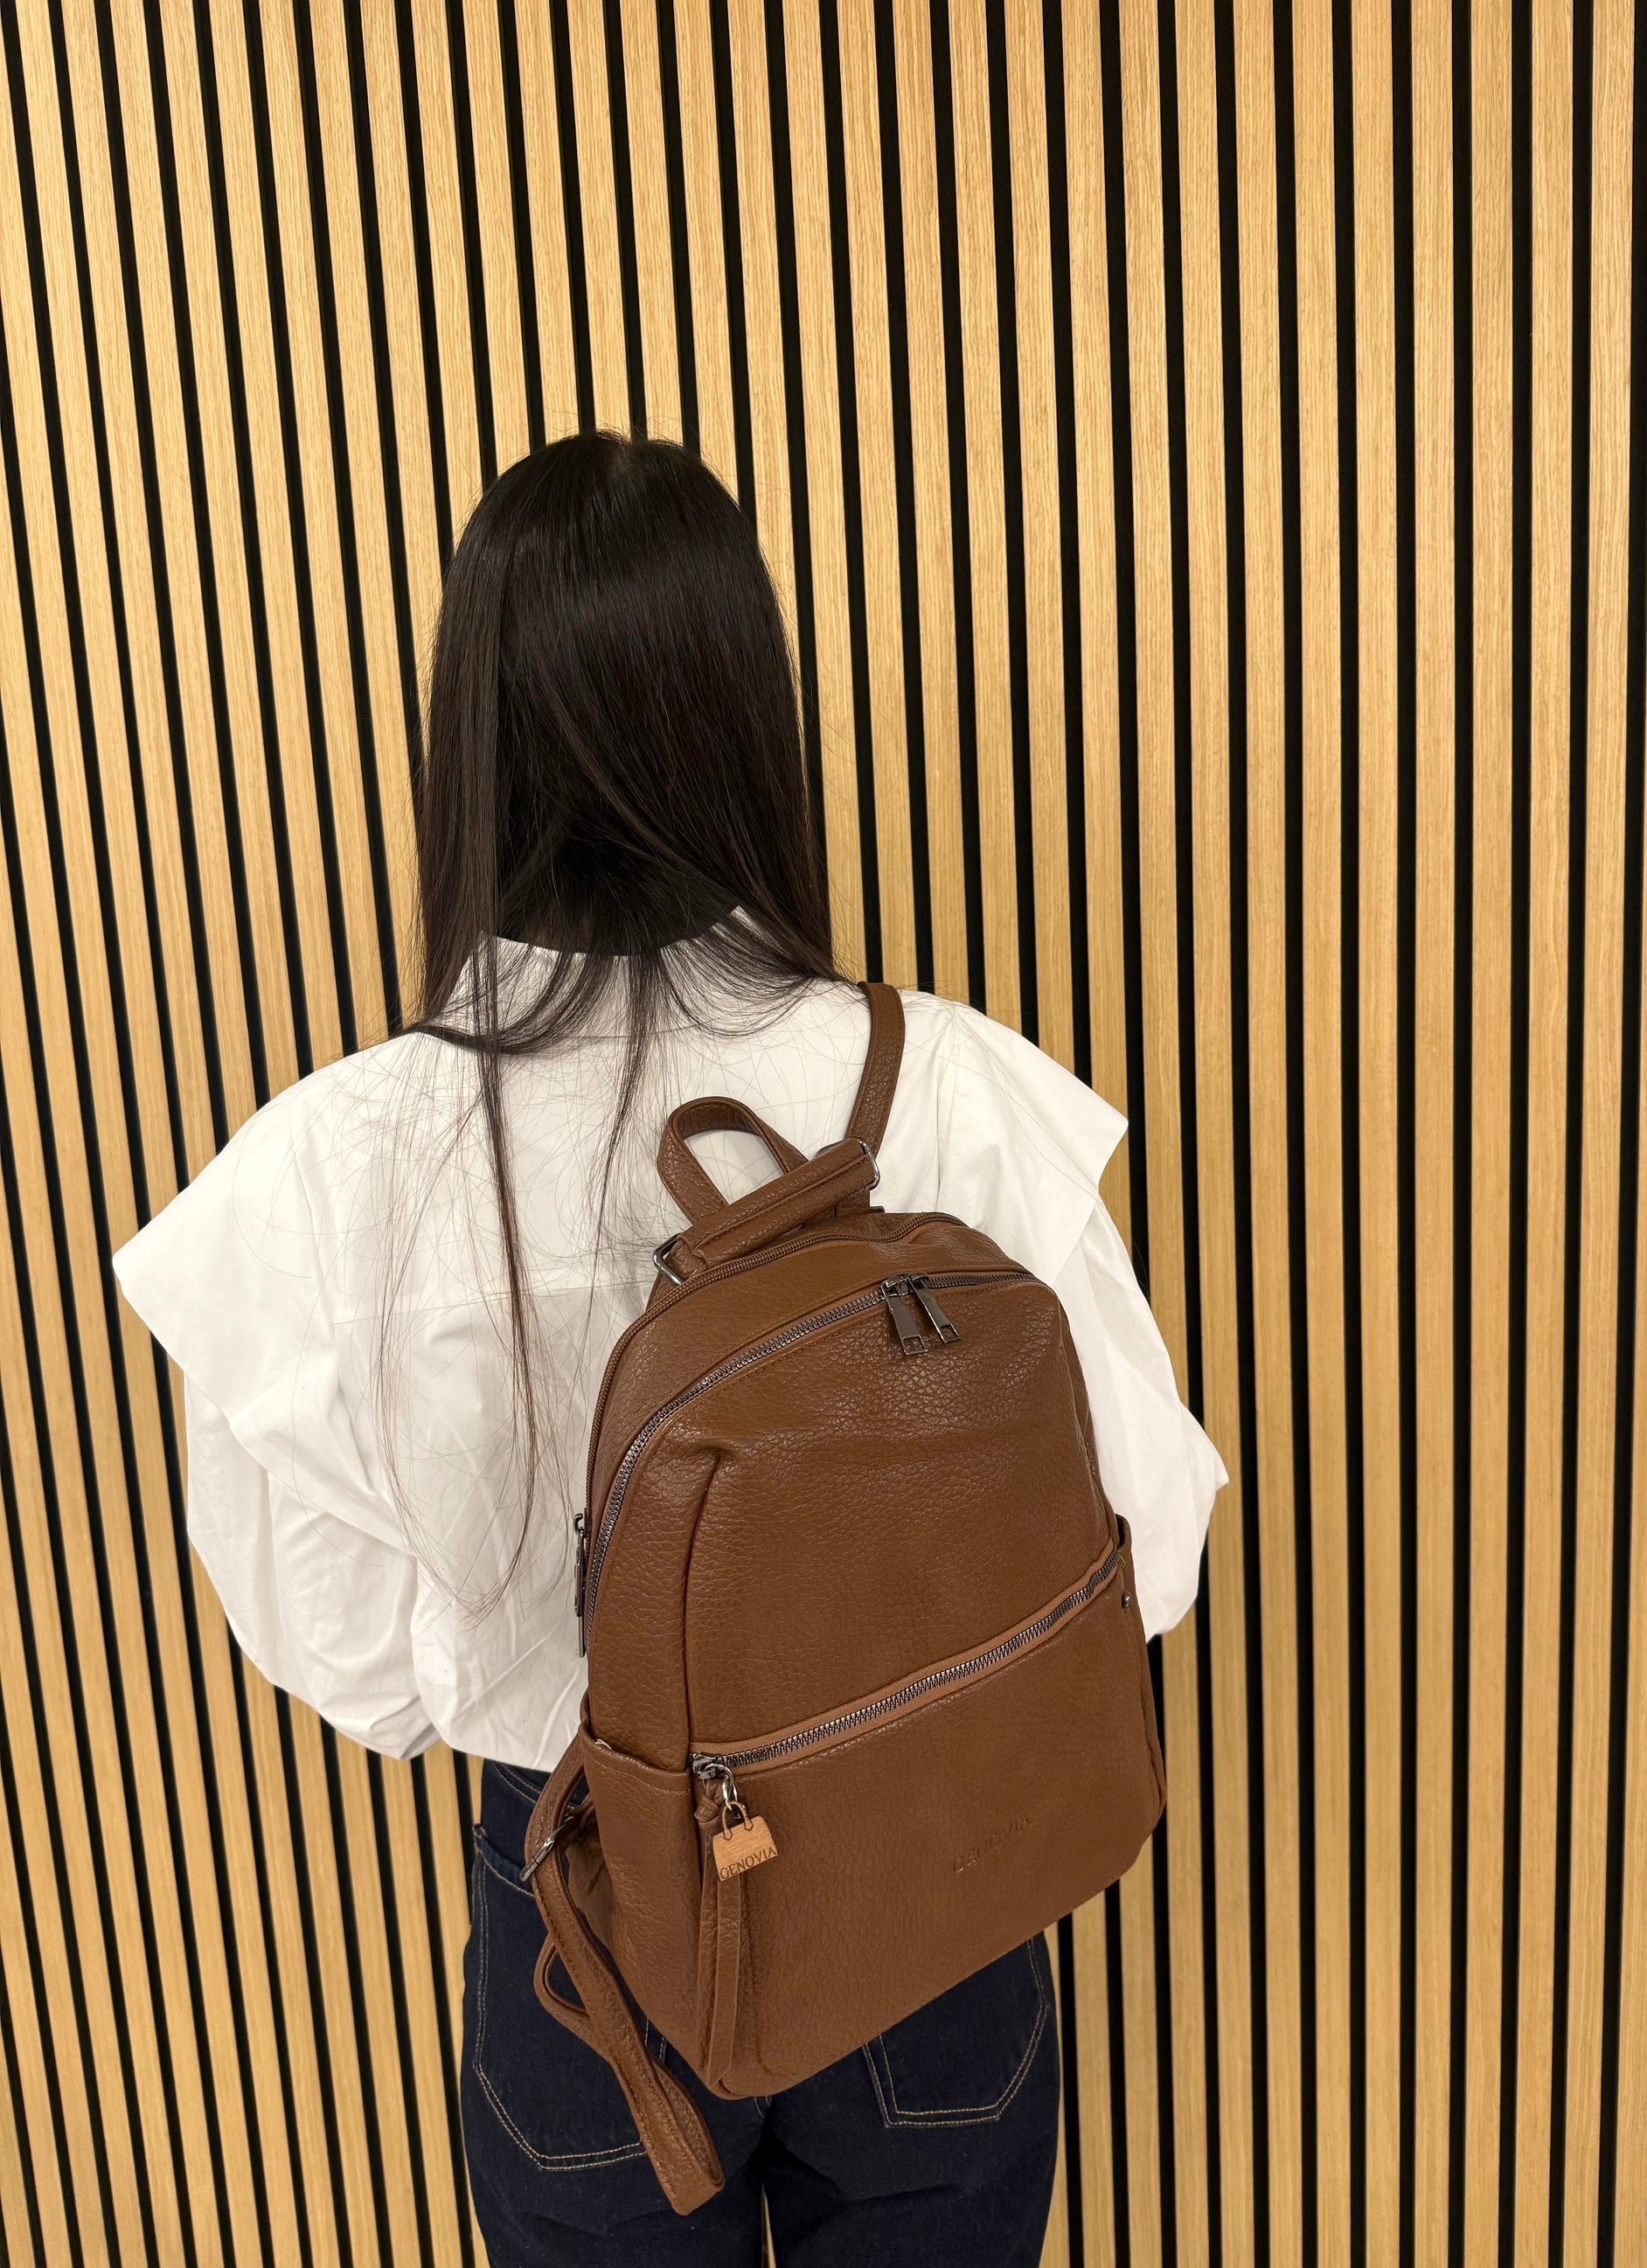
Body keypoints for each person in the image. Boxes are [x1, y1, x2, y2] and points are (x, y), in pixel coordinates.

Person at [112, 431, 1227, 2266]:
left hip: (583, 1931)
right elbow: (1150, 1550)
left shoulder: (326, 1173)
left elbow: (352, 1669)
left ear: (468, 747)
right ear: (749, 727)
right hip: (932, 1889)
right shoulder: (947, 1087)